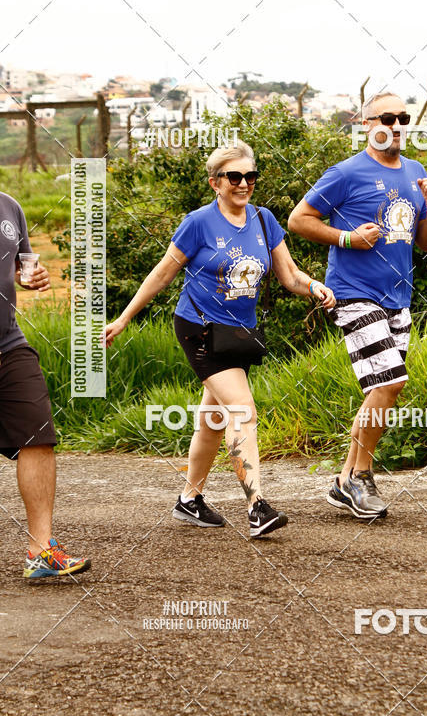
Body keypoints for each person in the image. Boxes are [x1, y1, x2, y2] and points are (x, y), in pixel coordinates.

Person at [104, 142, 335, 537]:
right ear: (216, 182)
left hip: (237, 334)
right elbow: (162, 274)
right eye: (234, 177)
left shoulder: (264, 220)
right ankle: (256, 506)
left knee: (213, 418)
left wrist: (314, 286)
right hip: (199, 327)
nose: (244, 183)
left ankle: (189, 500)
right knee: (242, 409)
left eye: (250, 176)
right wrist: (125, 318)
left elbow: (289, 276)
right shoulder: (198, 223)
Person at [288, 92, 427, 520]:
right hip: (354, 294)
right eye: (386, 117)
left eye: (403, 118)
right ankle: (359, 476)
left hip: (399, 298)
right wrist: (347, 238)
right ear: (365, 123)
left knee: (383, 389)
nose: (395, 125)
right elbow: (298, 220)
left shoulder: (415, 172)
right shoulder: (345, 172)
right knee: (391, 383)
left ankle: (346, 479)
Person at [0, 191, 91, 578]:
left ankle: (42, 551)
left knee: (38, 435)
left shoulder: (9, 206)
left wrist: (30, 277)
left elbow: (22, 267)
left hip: (8, 344)